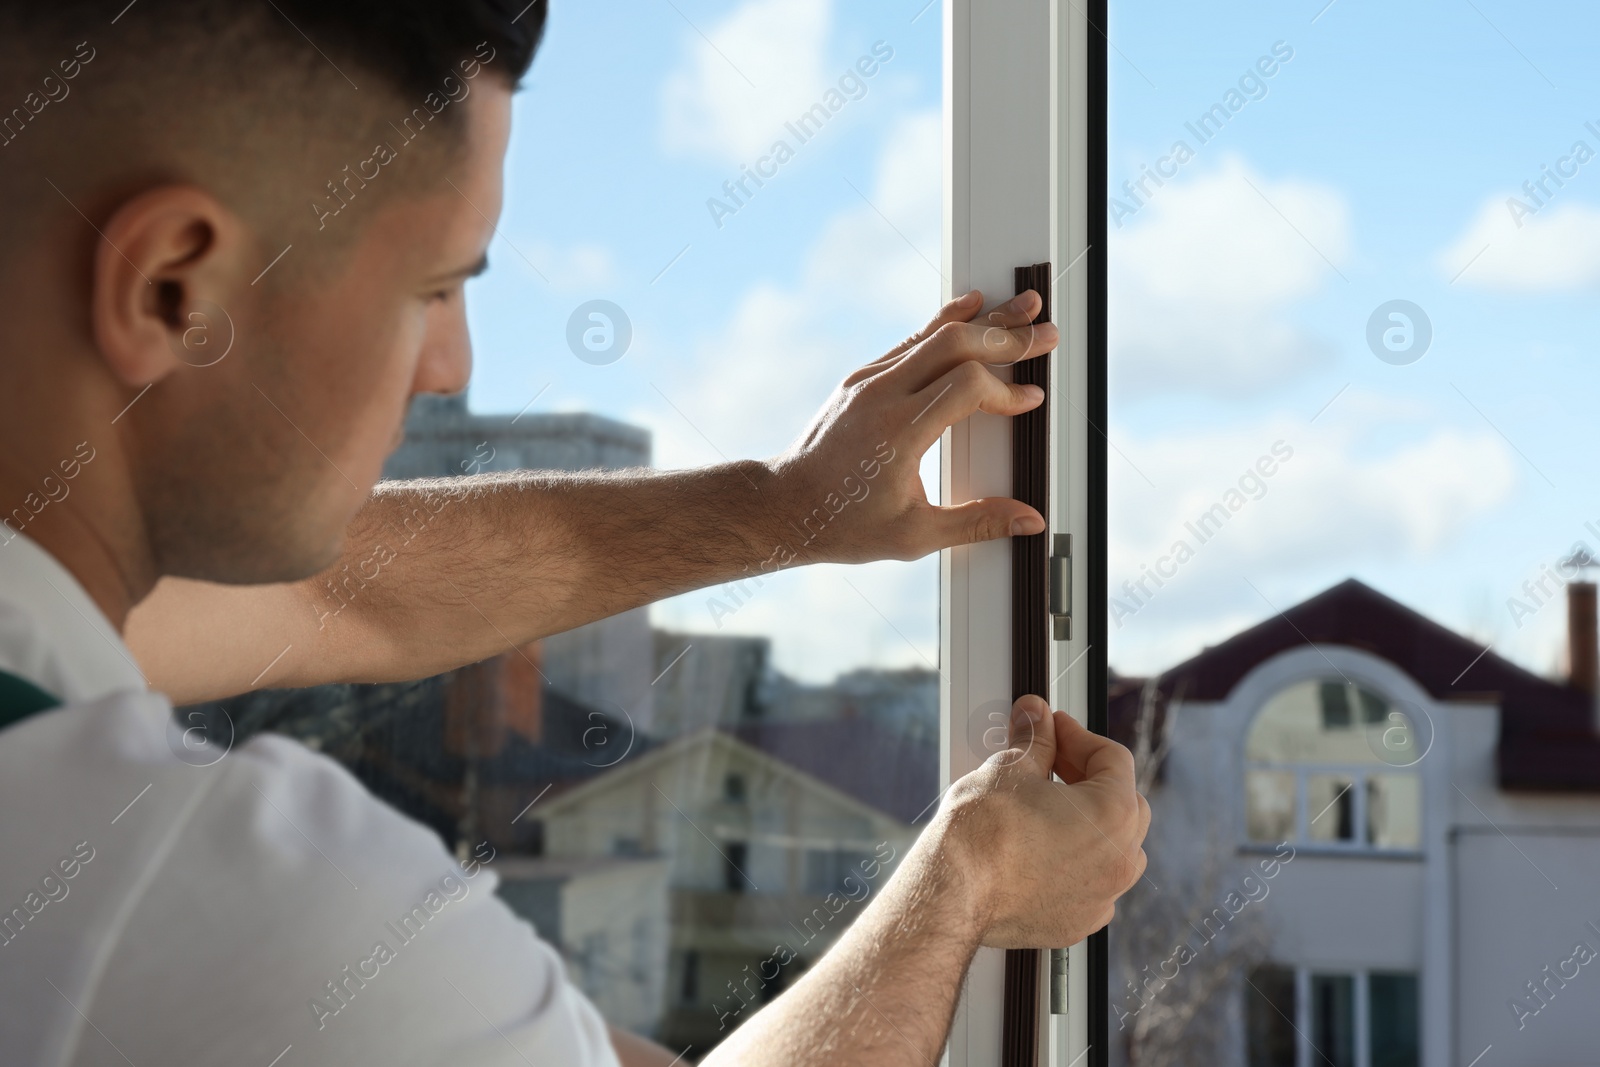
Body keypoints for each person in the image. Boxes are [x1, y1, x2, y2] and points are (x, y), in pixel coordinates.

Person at [0, 3, 1149, 1064]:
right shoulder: (210, 899)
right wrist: (965, 882)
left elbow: (348, 595)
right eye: (436, 287)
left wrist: (780, 507)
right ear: (171, 290)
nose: (455, 366)